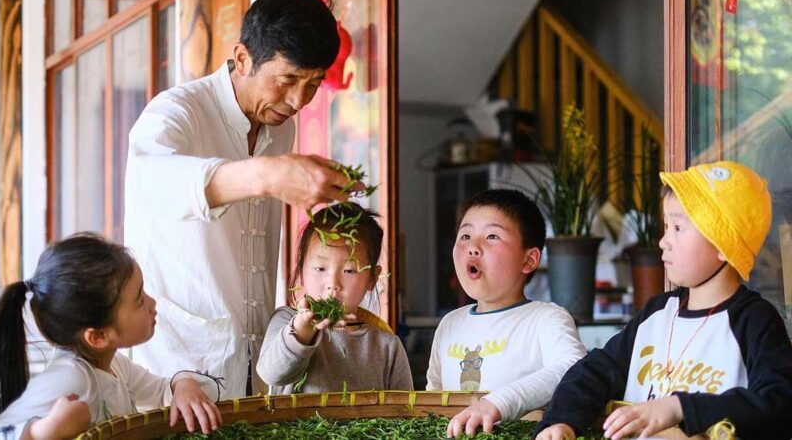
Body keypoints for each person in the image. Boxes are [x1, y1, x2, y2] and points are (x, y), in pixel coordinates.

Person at [125, 0, 363, 398]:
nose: (298, 101)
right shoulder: (178, 111)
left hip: (256, 364)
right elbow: (152, 181)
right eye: (288, 80)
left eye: (313, 84)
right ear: (243, 57)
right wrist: (267, 175)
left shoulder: (280, 126)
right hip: (179, 372)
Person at [535, 161, 792, 440]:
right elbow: (593, 372)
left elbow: (780, 404)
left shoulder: (755, 321)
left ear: (723, 243)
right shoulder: (656, 313)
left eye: (678, 228)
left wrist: (679, 407)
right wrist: (561, 421)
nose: (663, 241)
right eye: (666, 226)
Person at [0, 234, 221, 440]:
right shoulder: (71, 377)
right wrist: (42, 431)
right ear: (98, 336)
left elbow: (160, 391)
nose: (153, 303)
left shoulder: (115, 365)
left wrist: (183, 385)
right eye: (140, 300)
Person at [426, 189, 586, 438]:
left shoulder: (546, 319)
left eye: (492, 236)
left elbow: (573, 369)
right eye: (465, 235)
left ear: (529, 260)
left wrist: (499, 403)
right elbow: (431, 402)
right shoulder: (449, 324)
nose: (473, 247)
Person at [258, 203, 413, 394]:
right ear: (301, 271)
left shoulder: (387, 346)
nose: (333, 283)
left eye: (349, 270)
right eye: (320, 268)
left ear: (372, 278)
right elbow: (271, 374)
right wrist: (301, 331)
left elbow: (404, 407)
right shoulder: (286, 321)